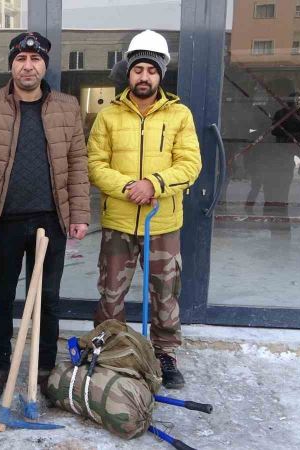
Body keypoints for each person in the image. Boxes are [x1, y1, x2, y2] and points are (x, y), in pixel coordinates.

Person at [0, 31, 90, 400]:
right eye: (21, 59)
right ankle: (0, 365)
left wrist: (79, 212)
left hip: (52, 220)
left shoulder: (67, 107)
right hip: (4, 221)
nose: (28, 66)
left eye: (35, 60)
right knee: (0, 295)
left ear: (45, 65)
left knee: (48, 298)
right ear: (11, 65)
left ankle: (44, 368)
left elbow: (77, 163)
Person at [87, 29, 202, 389]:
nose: (144, 76)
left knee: (165, 293)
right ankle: (110, 352)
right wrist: (126, 188)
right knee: (111, 293)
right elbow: (94, 163)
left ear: (160, 74)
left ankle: (164, 354)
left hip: (163, 223)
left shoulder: (179, 115)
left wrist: (153, 184)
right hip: (118, 222)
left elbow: (190, 164)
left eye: (151, 70)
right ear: (129, 72)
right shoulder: (109, 116)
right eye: (138, 69)